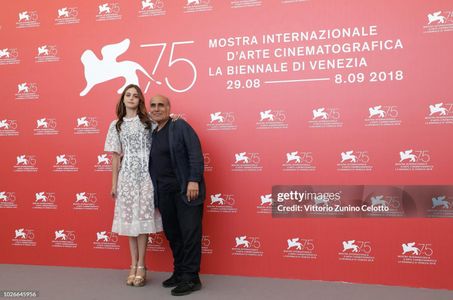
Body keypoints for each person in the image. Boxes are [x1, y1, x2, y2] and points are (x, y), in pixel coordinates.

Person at [104, 84, 163, 287]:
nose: (131, 98)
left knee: (143, 223)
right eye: (128, 95)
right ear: (123, 99)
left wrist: (175, 119)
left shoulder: (148, 122)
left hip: (146, 176)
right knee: (130, 224)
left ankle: (141, 265)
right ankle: (132, 265)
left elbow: (165, 130)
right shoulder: (116, 125)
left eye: (135, 96)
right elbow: (115, 157)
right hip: (126, 177)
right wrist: (114, 184)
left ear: (140, 100)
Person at [148, 95, 205, 296]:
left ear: (169, 108)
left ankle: (191, 278)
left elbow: (195, 153)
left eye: (160, 105)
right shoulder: (153, 133)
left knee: (189, 234)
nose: (156, 108)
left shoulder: (179, 126)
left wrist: (193, 180)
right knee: (173, 235)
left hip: (185, 191)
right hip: (164, 194)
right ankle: (180, 272)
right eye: (153, 105)